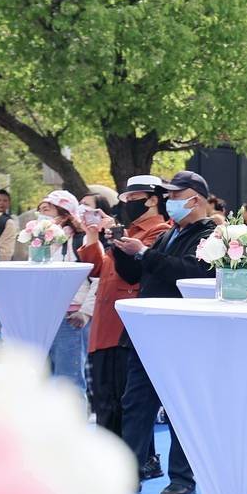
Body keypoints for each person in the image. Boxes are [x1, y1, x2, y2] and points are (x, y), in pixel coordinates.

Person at [109, 169, 217, 494]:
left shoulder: (211, 235)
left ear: (195, 199)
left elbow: (191, 273)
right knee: (136, 402)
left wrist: (144, 253)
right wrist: (122, 250)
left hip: (181, 331)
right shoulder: (169, 233)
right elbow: (136, 275)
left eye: (175, 195)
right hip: (148, 328)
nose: (169, 201)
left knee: (180, 406)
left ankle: (182, 476)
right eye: (168, 195)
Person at [78, 177, 170, 448]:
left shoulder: (159, 231)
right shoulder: (128, 232)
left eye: (132, 198)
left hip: (124, 326)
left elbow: (132, 272)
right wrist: (92, 234)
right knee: (105, 398)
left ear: (152, 200)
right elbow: (97, 268)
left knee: (125, 402)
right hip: (105, 323)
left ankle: (140, 459)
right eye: (126, 199)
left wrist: (116, 235)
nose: (127, 204)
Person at [33, 189, 94, 396]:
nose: (41, 215)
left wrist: (85, 312)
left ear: (64, 213)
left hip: (70, 317)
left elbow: (98, 279)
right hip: (44, 316)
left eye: (47, 210)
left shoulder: (81, 241)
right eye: (40, 210)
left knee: (69, 382)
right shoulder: (40, 242)